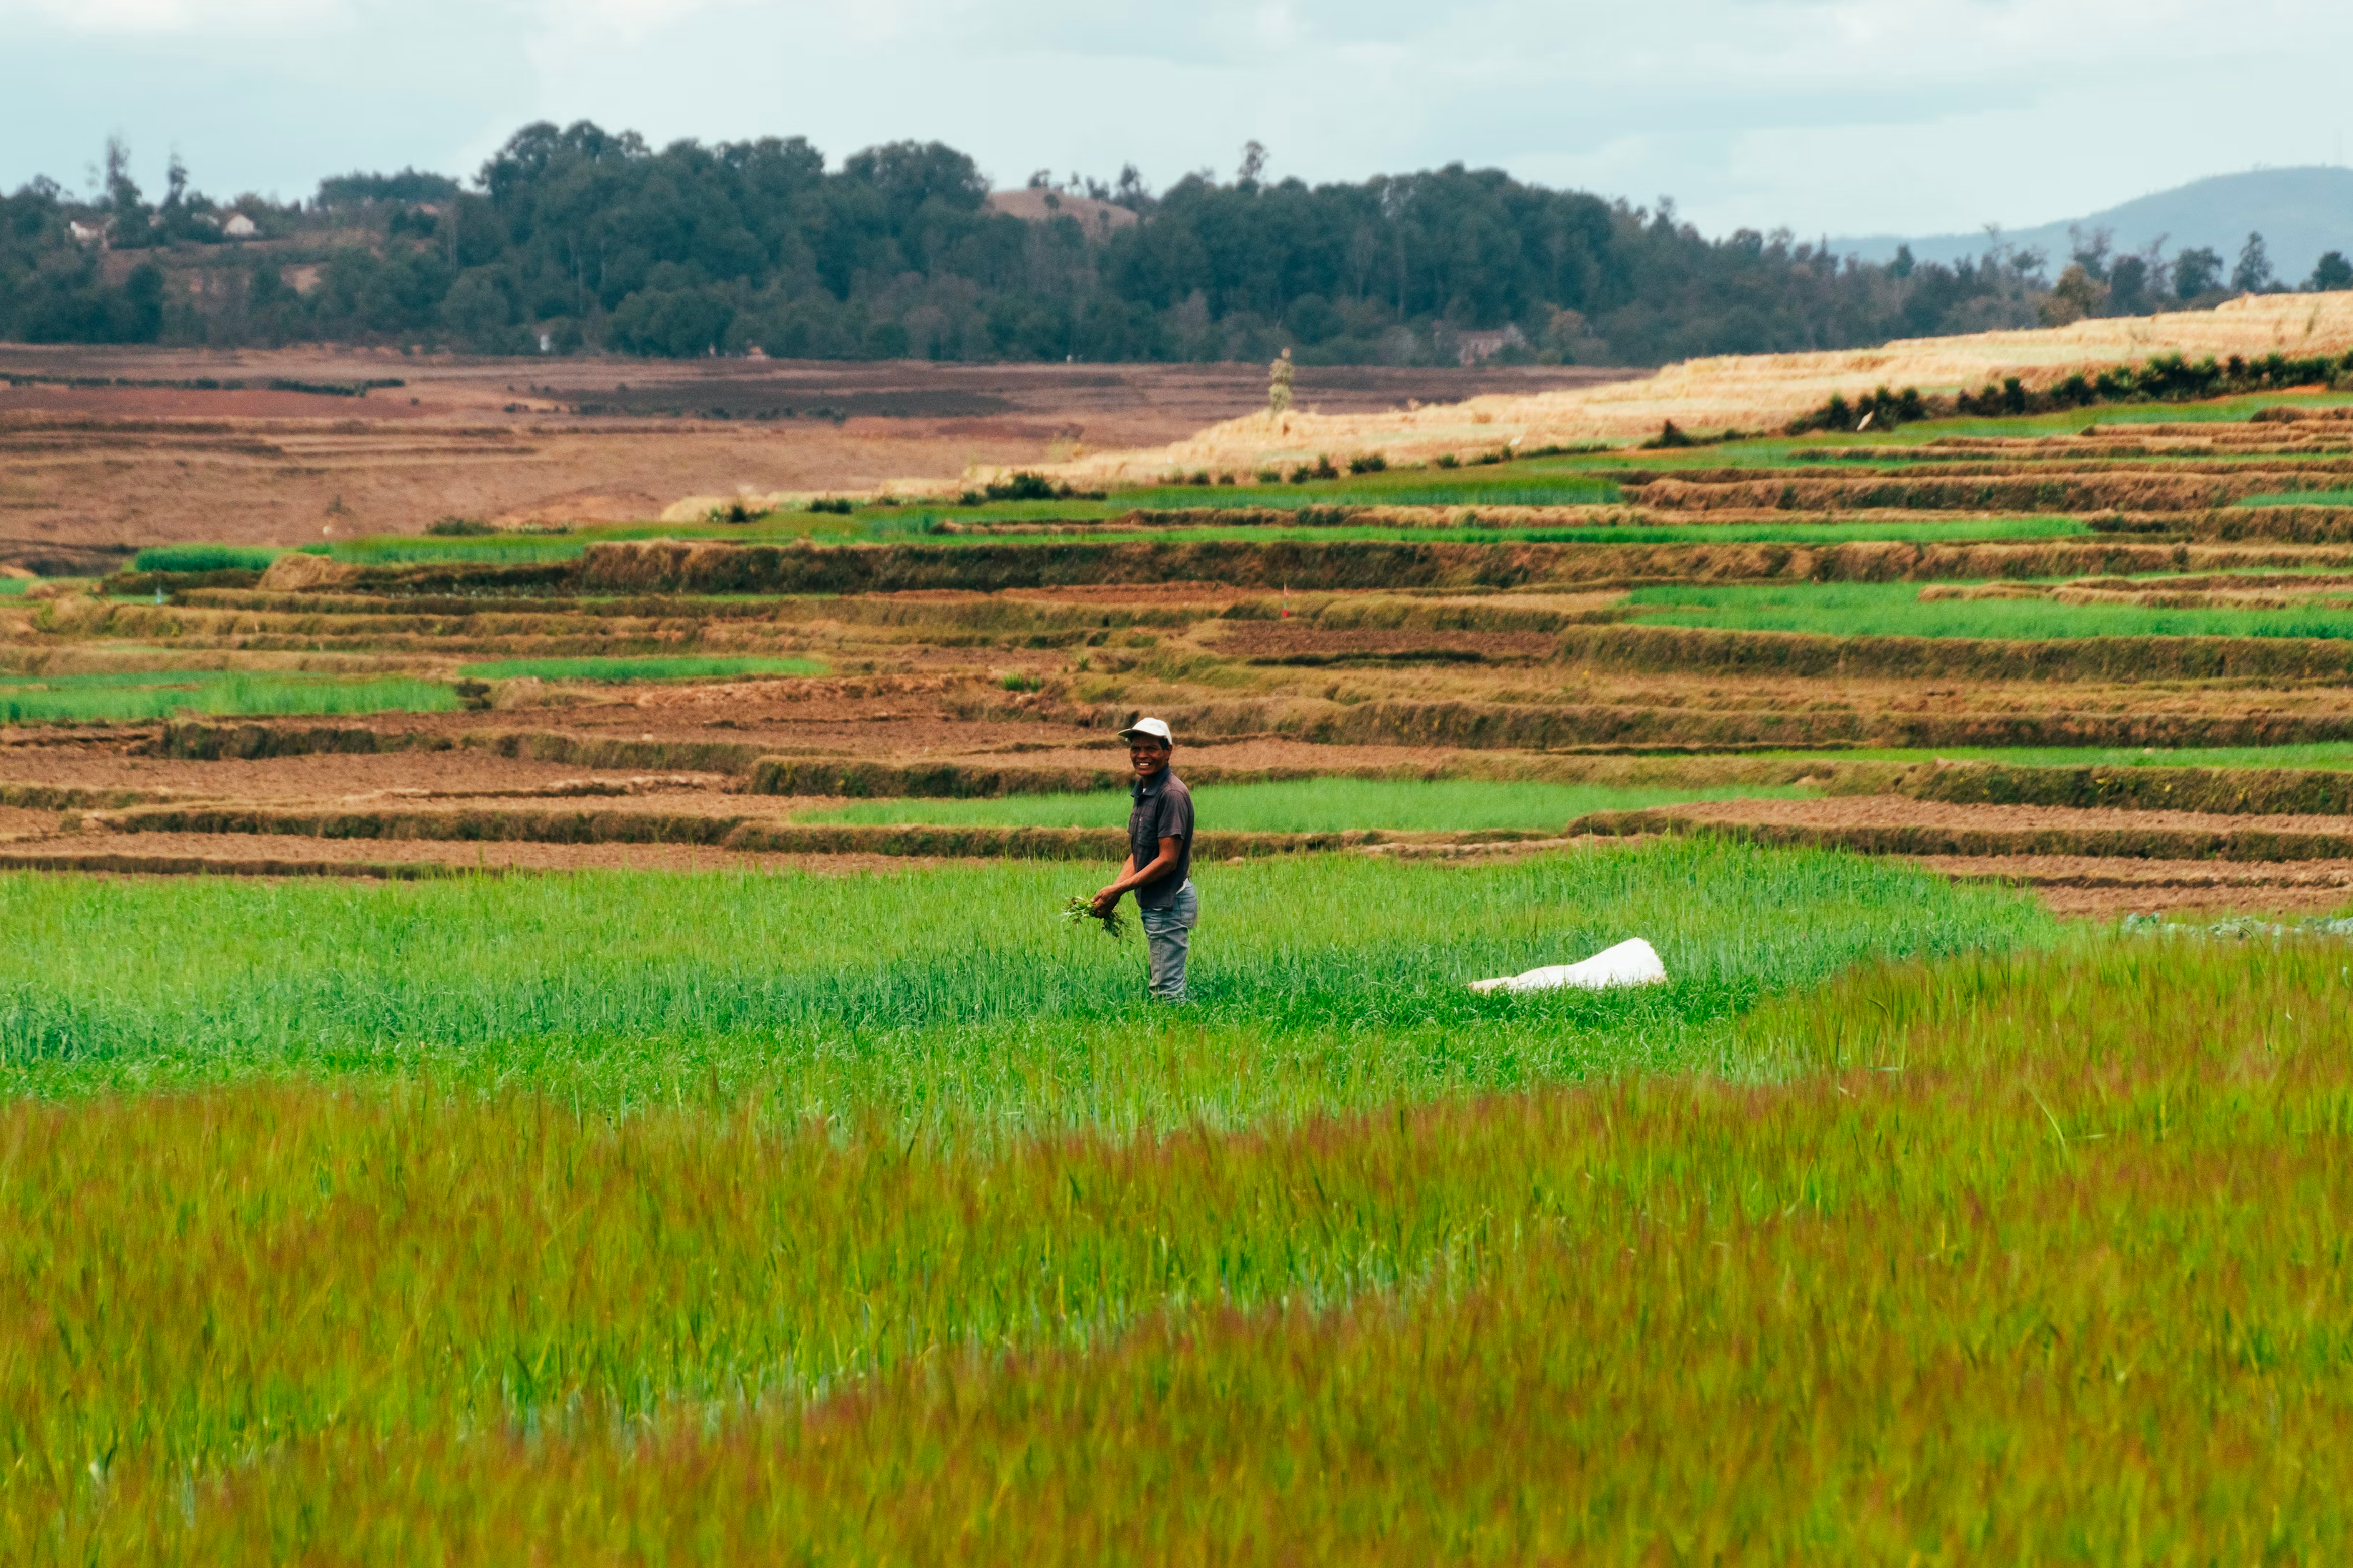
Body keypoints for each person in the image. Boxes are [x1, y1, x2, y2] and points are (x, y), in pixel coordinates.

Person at [1090, 716, 1197, 1002]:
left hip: (1168, 903)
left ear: (1168, 750)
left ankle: (1179, 1041)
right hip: (1156, 902)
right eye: (1136, 748)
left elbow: (1167, 860)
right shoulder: (1146, 791)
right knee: (1162, 984)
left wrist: (1119, 890)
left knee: (1167, 994)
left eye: (1150, 748)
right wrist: (1114, 890)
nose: (1141, 755)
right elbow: (1140, 852)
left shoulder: (1170, 794)